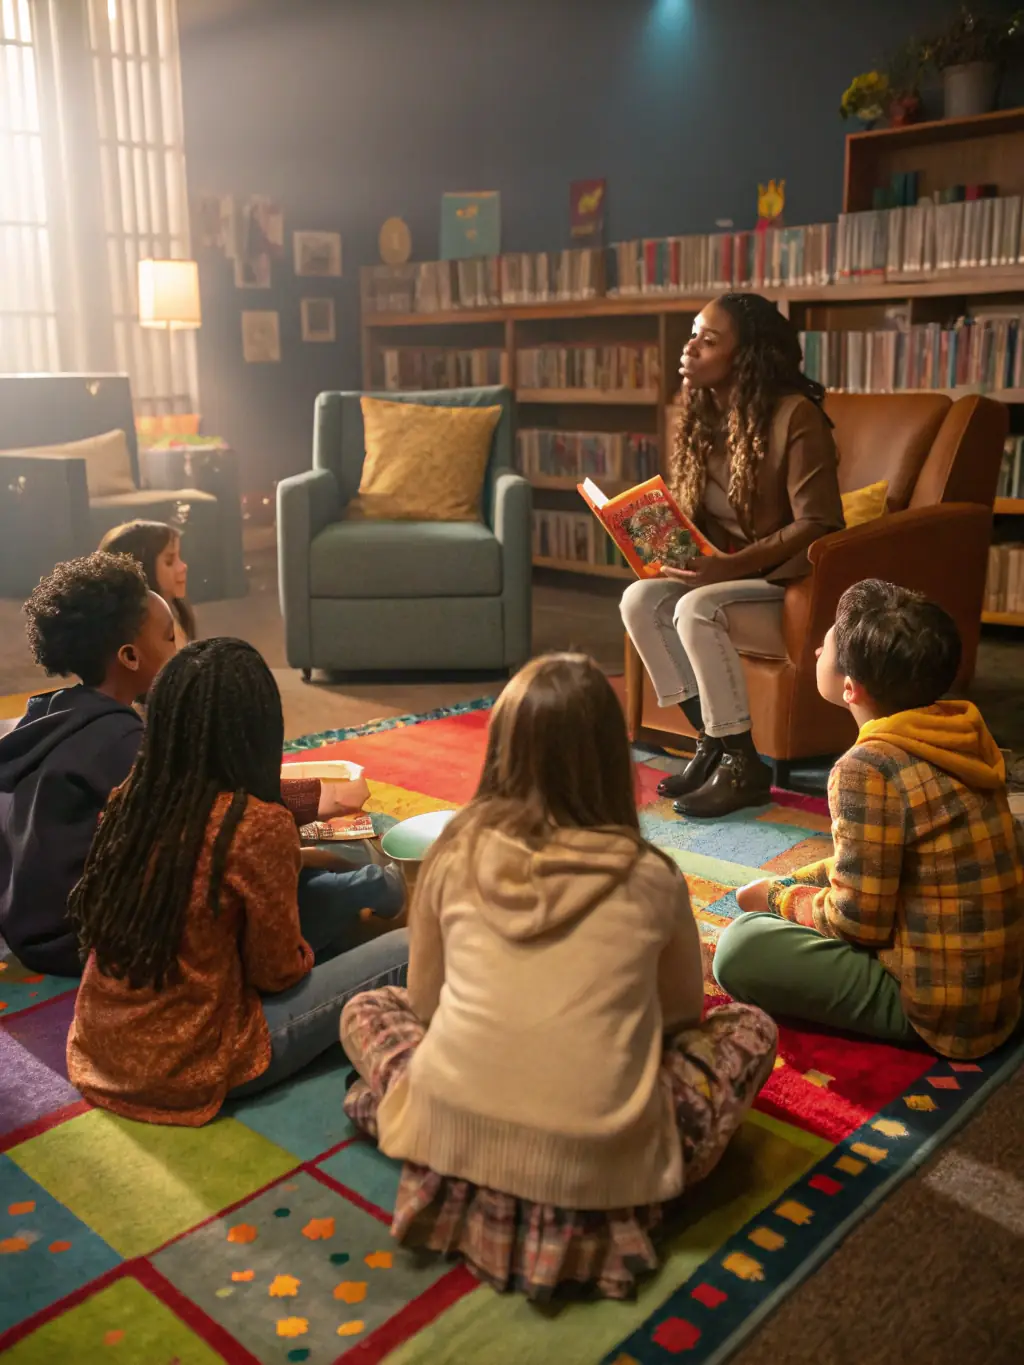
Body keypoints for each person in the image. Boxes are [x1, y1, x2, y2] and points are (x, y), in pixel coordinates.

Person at [339, 653, 777, 1301]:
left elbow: (425, 1007)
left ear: (500, 753)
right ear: (611, 762)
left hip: (449, 1134)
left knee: (368, 1009)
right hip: (604, 1168)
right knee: (751, 1027)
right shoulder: (650, 875)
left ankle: (408, 1116)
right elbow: (682, 1021)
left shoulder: (453, 851)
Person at [66, 639, 409, 1125]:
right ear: (258, 730)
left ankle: (379, 886)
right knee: (408, 948)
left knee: (319, 886)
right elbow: (278, 974)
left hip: (103, 1049)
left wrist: (296, 870)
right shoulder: (255, 823)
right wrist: (303, 934)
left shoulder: (131, 798)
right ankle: (389, 889)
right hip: (195, 1064)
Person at [714, 580, 1024, 1061]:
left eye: (828, 642)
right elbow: (878, 863)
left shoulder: (866, 768)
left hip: (942, 1012)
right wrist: (798, 880)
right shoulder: (962, 727)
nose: (818, 647)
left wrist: (777, 897)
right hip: (1001, 989)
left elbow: (857, 924)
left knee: (740, 946)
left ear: (849, 687)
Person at [621, 293, 844, 818]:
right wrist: (655, 536)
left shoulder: (797, 418)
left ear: (746, 357)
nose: (690, 346)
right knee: (639, 600)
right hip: (728, 573)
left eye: (709, 339)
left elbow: (820, 523)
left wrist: (727, 568)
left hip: (787, 585)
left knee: (694, 609)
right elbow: (702, 519)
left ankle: (743, 768)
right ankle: (718, 745)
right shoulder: (700, 416)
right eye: (693, 334)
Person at [0, 554, 177, 976]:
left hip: (24, 927)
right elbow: (195, 824)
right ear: (131, 656)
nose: (179, 649)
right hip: (79, 941)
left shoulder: (51, 713)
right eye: (170, 638)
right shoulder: (119, 742)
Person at [99, 520, 195, 648]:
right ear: (143, 568)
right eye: (169, 561)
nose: (183, 567)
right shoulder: (141, 638)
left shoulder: (175, 618)